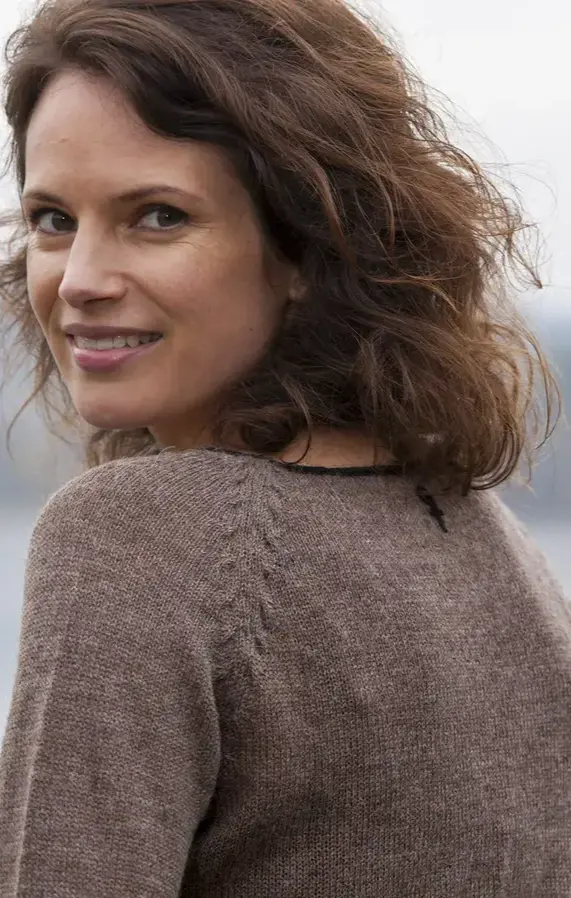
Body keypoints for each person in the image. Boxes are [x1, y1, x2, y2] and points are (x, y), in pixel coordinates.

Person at [0, 0, 569, 894]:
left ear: (305, 246)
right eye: (52, 219)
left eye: (158, 216)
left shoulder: (140, 534)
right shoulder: (482, 538)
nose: (78, 280)